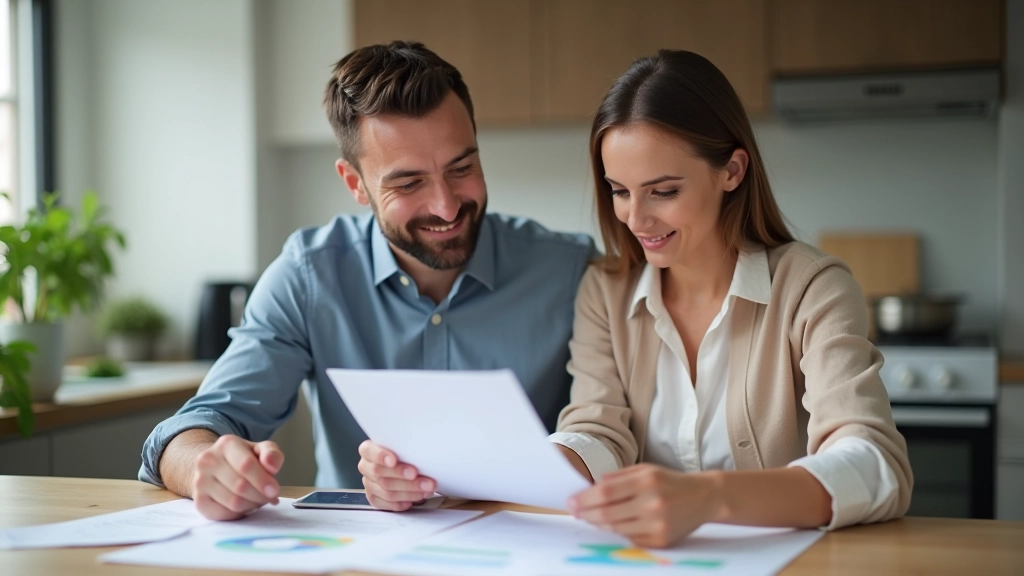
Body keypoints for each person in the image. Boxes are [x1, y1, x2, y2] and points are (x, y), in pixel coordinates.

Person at [139, 41, 594, 520]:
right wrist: (203, 469)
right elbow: (194, 427)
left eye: (461, 168)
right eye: (409, 183)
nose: (446, 205)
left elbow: (614, 432)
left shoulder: (570, 271)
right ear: (355, 183)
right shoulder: (310, 276)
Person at [544, 49, 914, 548]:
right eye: (619, 191)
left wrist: (710, 496)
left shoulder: (813, 286)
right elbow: (598, 429)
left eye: (663, 191)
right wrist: (536, 465)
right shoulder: (605, 290)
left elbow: (875, 465)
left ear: (732, 171)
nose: (635, 220)